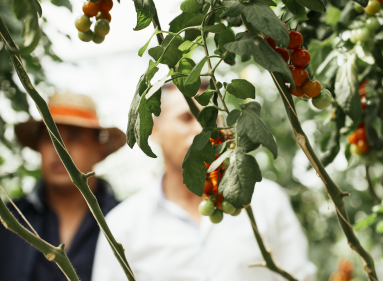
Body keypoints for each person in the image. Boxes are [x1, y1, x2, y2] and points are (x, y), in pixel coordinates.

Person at [91, 83, 317, 281]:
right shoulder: (124, 225)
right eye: (186, 118)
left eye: (210, 119)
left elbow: (298, 275)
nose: (201, 130)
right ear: (155, 130)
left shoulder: (267, 202)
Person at [0, 93, 126, 281]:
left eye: (75, 137)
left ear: (98, 149)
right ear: (39, 147)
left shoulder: (126, 222)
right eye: (49, 137)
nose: (59, 148)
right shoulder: (4, 221)